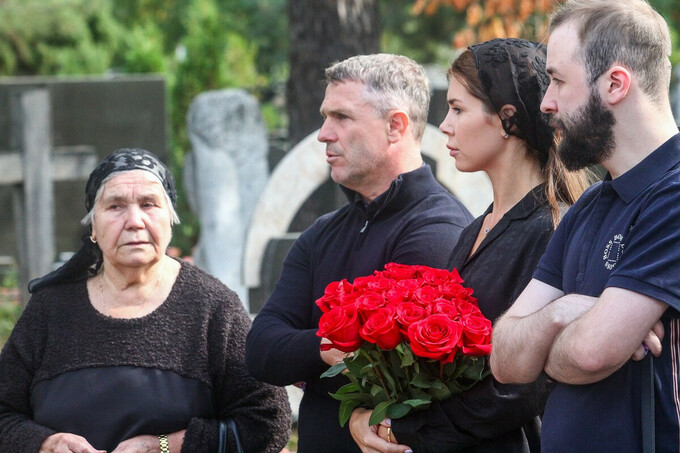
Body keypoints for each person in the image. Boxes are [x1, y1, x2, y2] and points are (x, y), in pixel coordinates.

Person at [348, 38, 590, 453]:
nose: (445, 125)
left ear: (507, 119)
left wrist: (403, 430)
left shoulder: (553, 228)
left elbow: (520, 388)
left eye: (458, 109)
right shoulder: (476, 227)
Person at [245, 53, 474, 453]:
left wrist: (307, 357)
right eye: (325, 116)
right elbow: (261, 349)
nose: (323, 134)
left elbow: (399, 368)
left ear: (395, 126)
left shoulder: (438, 228)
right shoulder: (322, 233)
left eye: (342, 117)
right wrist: (327, 347)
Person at [0, 148, 291, 453]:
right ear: (94, 227)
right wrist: (46, 443)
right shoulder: (51, 308)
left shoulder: (212, 308)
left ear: (170, 219)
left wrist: (165, 446)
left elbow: (267, 421)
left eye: (149, 204)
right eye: (115, 206)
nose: (134, 221)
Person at [490, 1, 680, 451]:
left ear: (615, 84)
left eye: (558, 80)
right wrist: (564, 312)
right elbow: (503, 359)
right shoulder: (592, 203)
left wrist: (542, 345)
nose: (546, 103)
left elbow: (591, 352)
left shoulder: (673, 195)